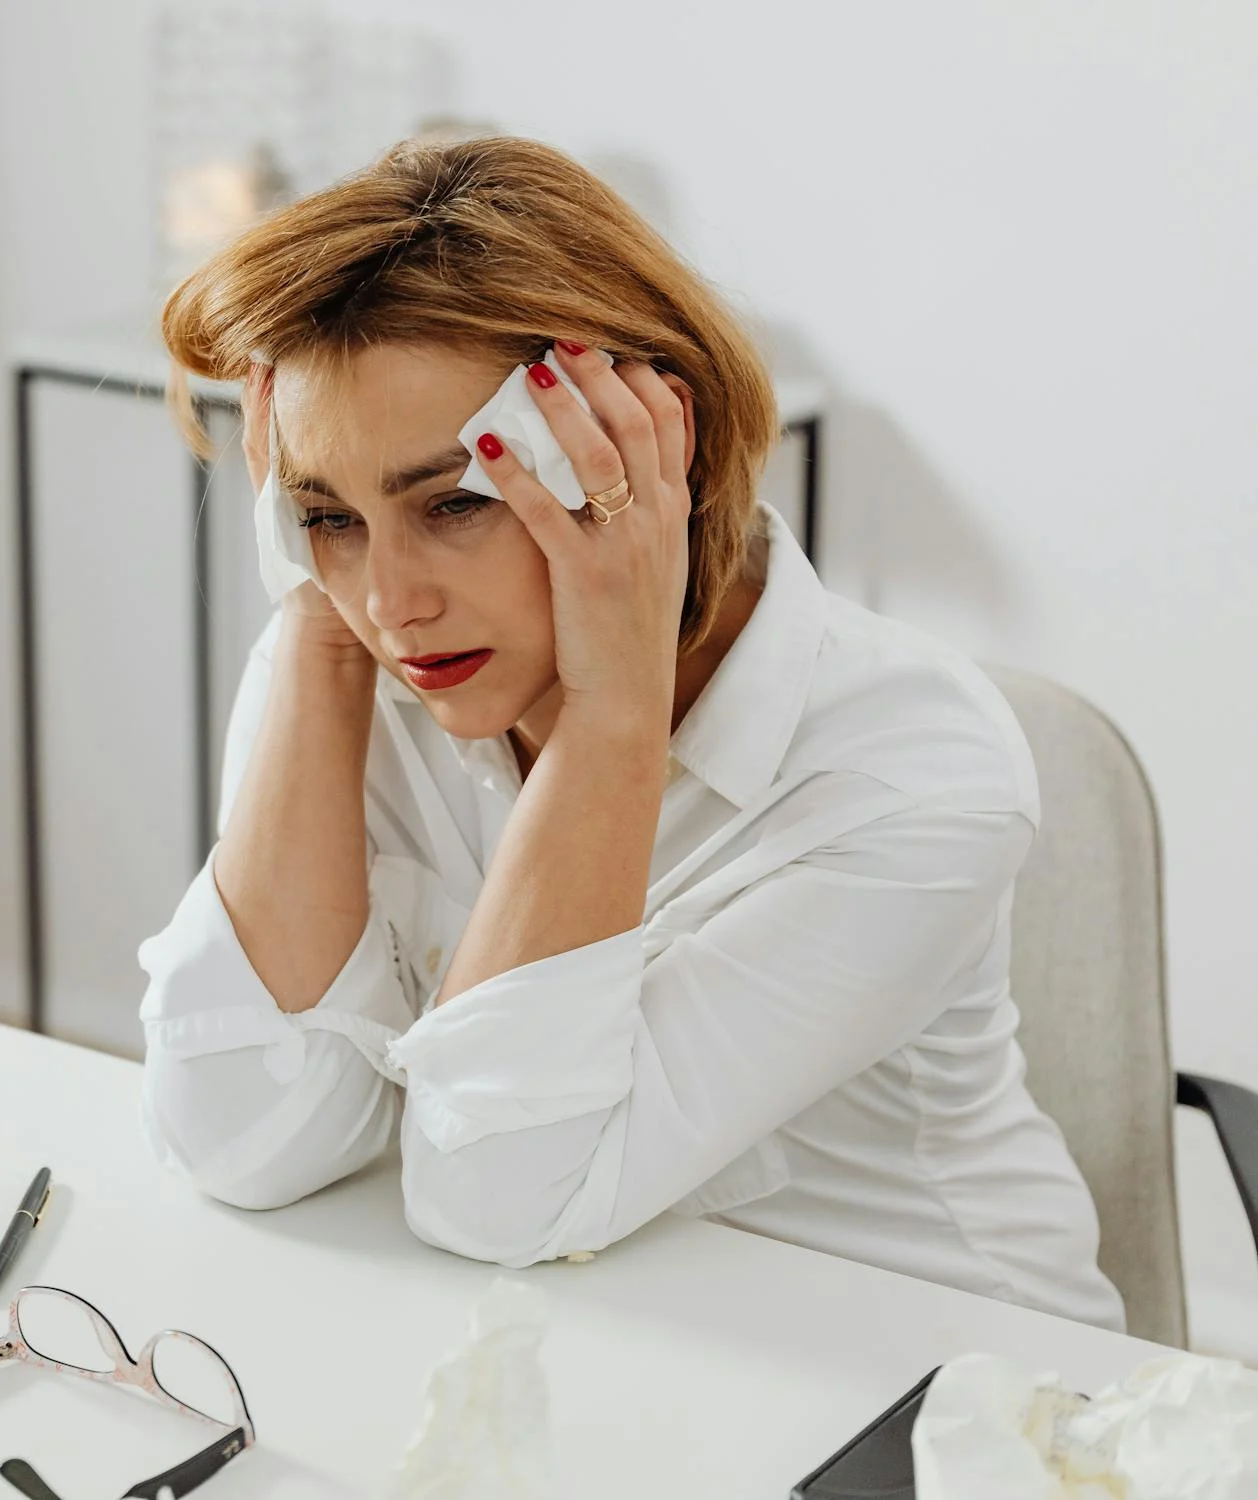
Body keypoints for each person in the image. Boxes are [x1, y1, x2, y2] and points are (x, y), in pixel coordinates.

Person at [137, 135, 1123, 1331]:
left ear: (649, 445)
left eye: (454, 502)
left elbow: (496, 1201)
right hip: (596, 1352)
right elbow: (242, 1141)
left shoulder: (911, 772)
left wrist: (613, 711)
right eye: (327, 515)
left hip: (933, 1384)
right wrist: (312, 637)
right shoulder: (355, 656)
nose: (390, 600)